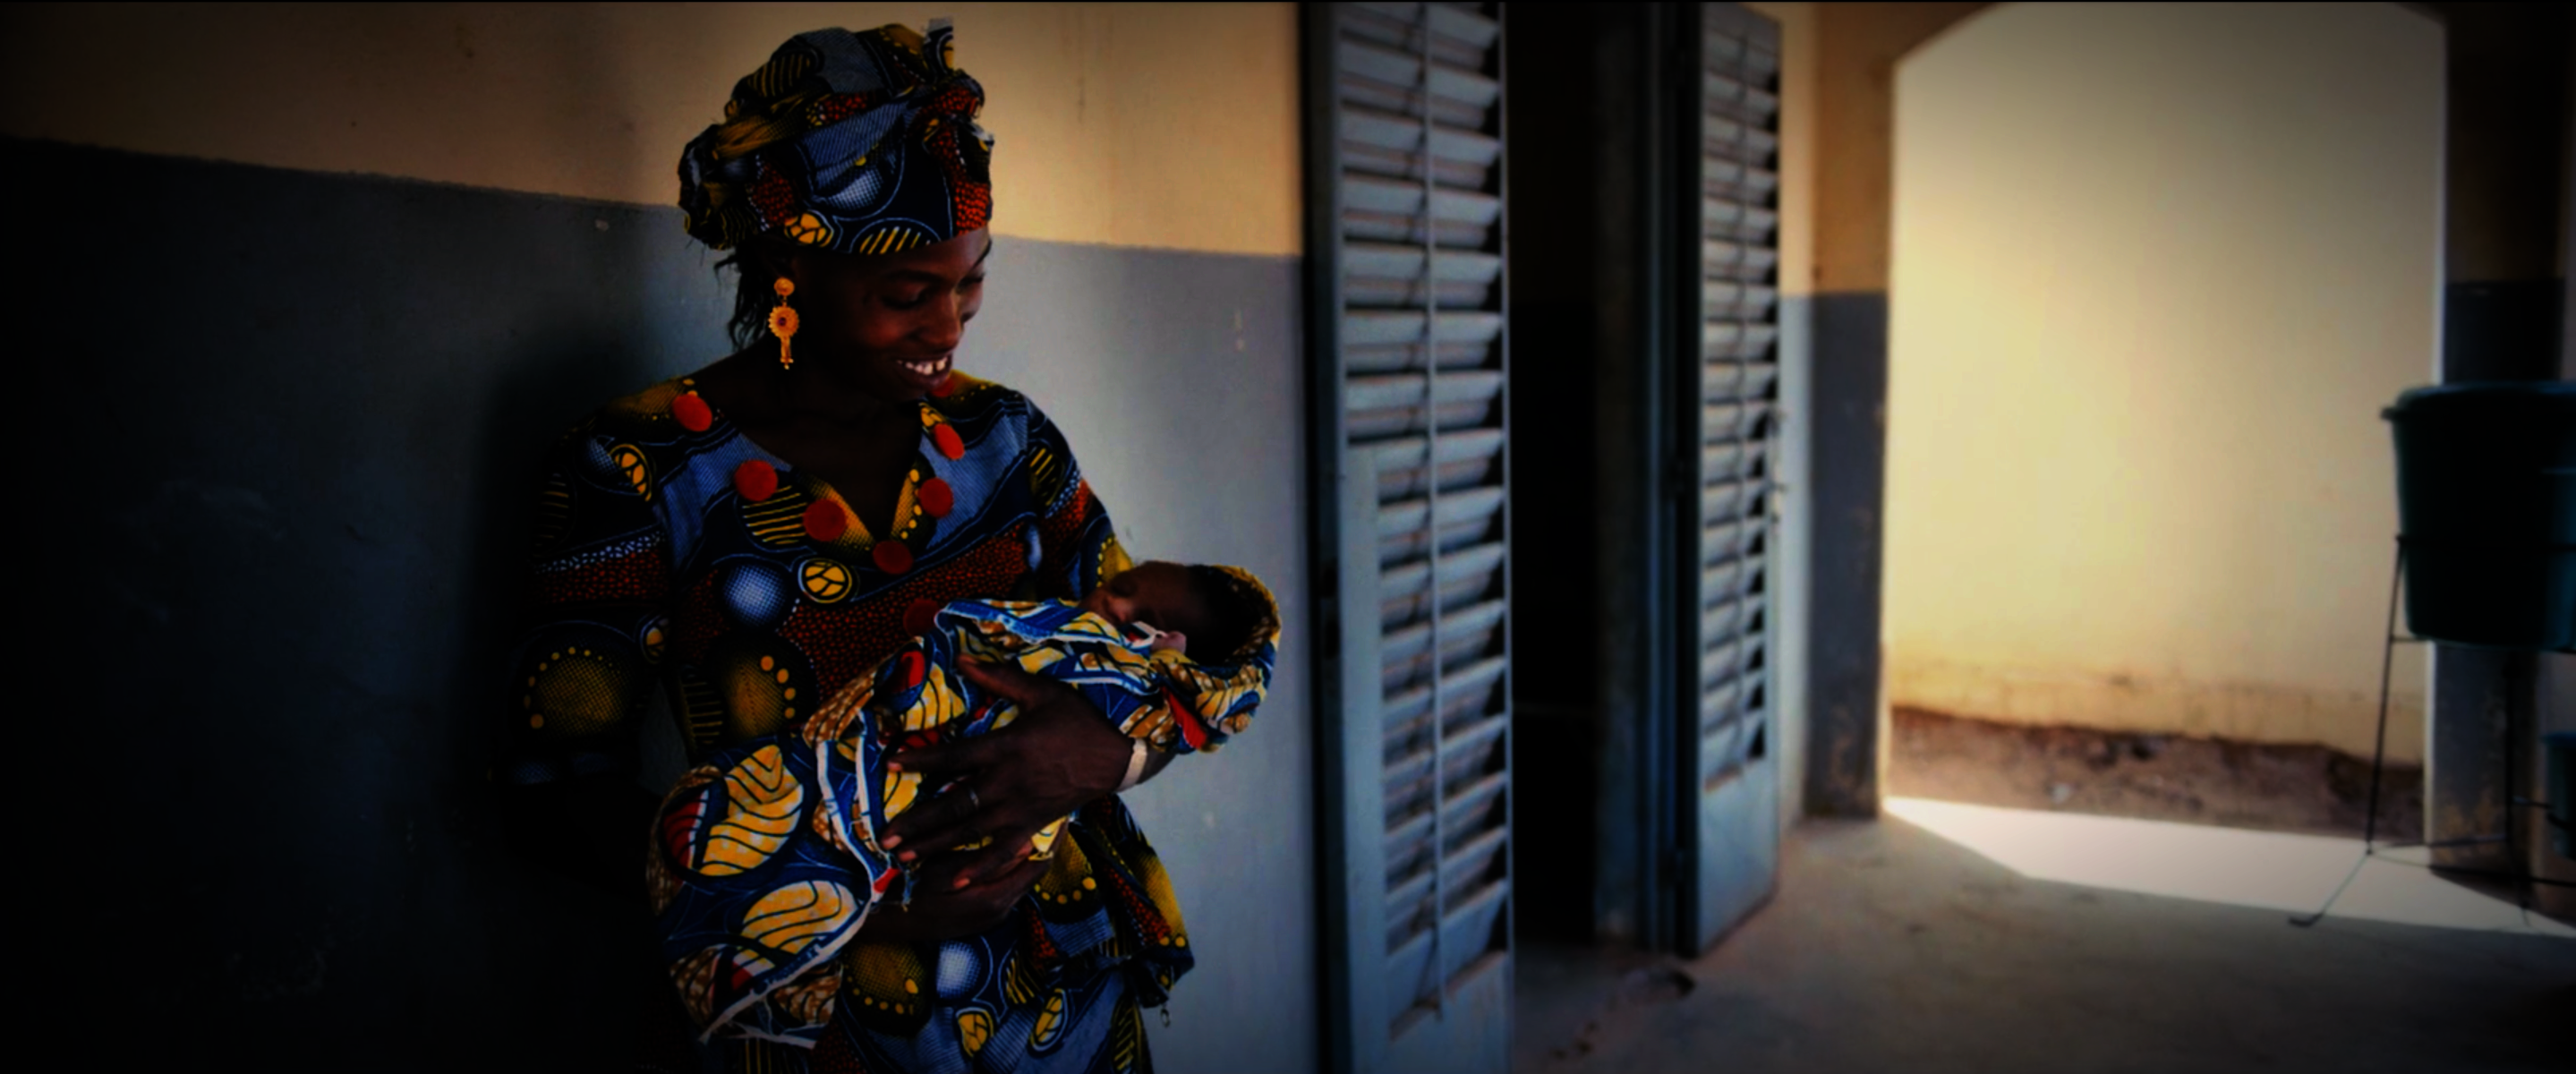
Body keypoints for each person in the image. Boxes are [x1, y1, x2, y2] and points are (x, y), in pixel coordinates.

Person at [498, 21, 1249, 1071]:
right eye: (906, 296)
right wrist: (844, 899)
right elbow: (553, 797)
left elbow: (1168, 660)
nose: (948, 328)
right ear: (787, 265)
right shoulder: (635, 469)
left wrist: (1107, 754)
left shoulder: (1007, 441)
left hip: (1068, 1004)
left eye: (970, 284)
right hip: (828, 1032)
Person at [652, 561, 1279, 1046]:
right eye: (1118, 587)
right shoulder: (632, 462)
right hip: (848, 973)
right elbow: (565, 793)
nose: (1106, 602)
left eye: (1135, 620)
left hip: (1056, 1009)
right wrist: (884, 924)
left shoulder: (1017, 440)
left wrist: (1120, 755)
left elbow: (1190, 701)